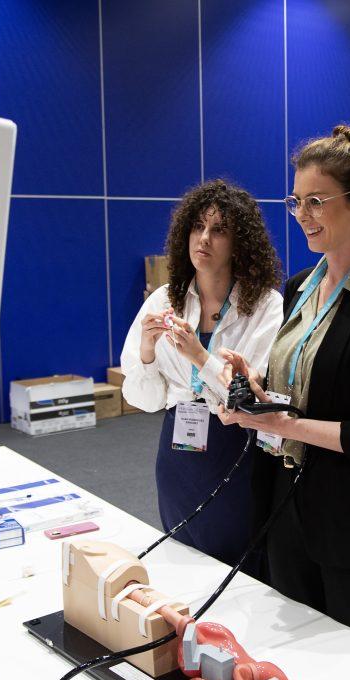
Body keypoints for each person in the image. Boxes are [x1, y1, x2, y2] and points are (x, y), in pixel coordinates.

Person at [217, 126, 350, 648]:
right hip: (288, 506)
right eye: (296, 201)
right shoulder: (298, 289)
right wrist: (257, 389)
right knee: (295, 657)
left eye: (316, 201)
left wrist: (286, 425)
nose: (302, 214)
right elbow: (300, 390)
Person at [120, 179, 283, 567]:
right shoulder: (164, 299)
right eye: (197, 226)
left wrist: (199, 357)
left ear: (240, 243)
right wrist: (147, 352)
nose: (204, 238)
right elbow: (144, 400)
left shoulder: (266, 305)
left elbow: (248, 396)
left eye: (219, 230)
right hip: (178, 450)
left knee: (241, 565)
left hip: (237, 445)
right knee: (183, 558)